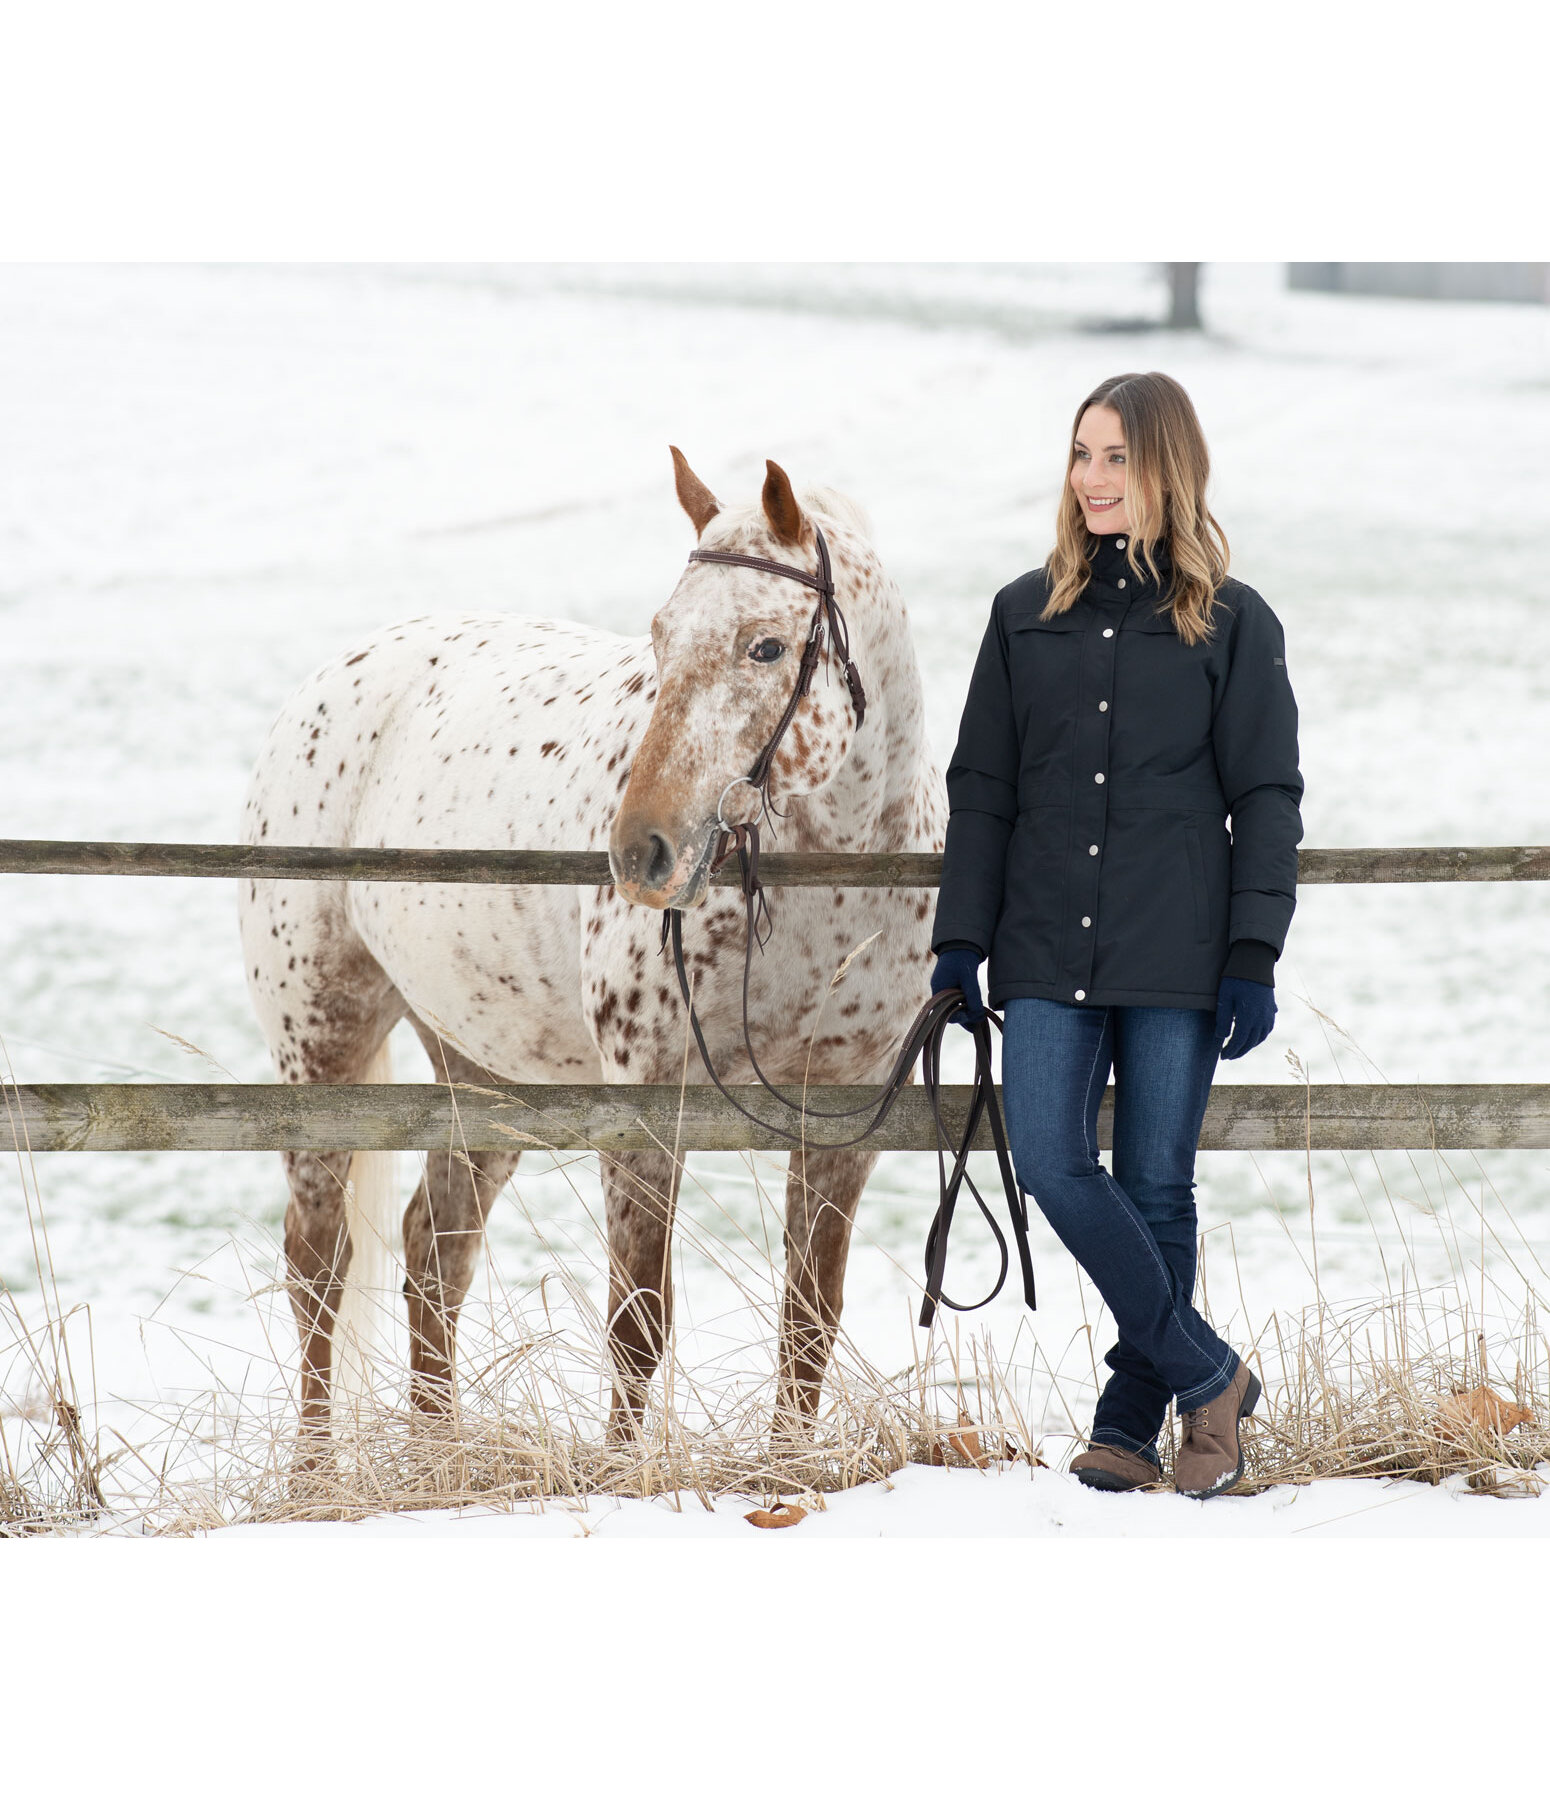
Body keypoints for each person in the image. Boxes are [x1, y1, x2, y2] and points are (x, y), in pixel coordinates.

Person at [929, 371, 1303, 1499]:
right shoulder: (1019, 615)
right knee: (1049, 1160)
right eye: (1080, 455)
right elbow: (980, 789)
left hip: (1178, 949)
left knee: (1154, 1187)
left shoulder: (1234, 624)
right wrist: (959, 941)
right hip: (1042, 941)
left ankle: (1131, 1421)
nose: (1092, 479)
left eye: (1115, 458)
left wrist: (1251, 954)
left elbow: (1267, 798)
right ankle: (1210, 1373)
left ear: (1166, 470)